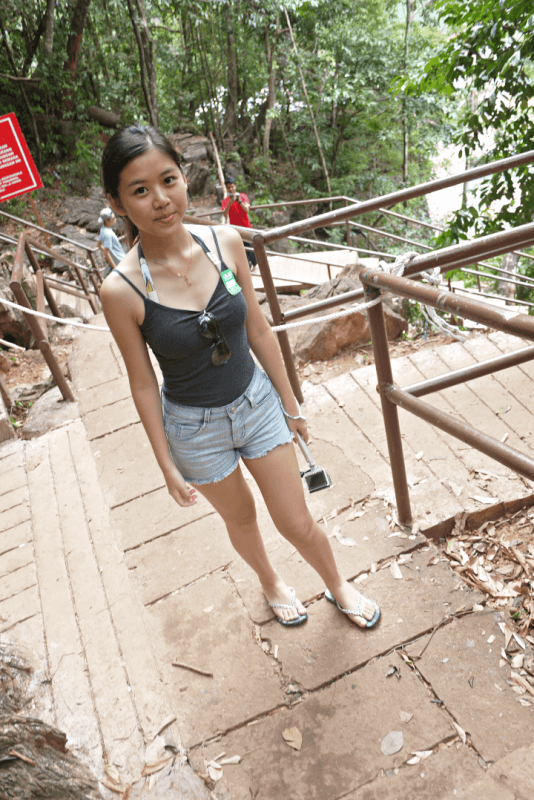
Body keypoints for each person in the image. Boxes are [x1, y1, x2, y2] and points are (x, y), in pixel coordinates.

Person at [99, 124, 380, 629]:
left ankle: (337, 584)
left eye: (168, 180)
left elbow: (259, 328)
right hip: (193, 429)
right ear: (118, 203)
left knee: (295, 520)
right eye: (140, 190)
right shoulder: (119, 291)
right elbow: (142, 382)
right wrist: (165, 463)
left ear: (184, 178)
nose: (161, 200)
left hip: (256, 404)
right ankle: (270, 581)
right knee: (242, 518)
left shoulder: (225, 242)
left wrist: (291, 403)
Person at [221, 176, 257, 270]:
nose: (231, 189)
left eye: (232, 186)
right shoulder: (225, 201)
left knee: (250, 247)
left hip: (246, 227)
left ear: (235, 186)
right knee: (242, 249)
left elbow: (246, 210)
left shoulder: (243, 196)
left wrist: (238, 201)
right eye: (228, 187)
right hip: (235, 229)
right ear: (226, 188)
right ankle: (248, 267)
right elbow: (225, 215)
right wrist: (230, 203)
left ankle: (255, 263)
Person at [97, 207, 126, 278]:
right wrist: (115, 268)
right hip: (120, 260)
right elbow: (106, 252)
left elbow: (98, 244)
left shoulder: (103, 229)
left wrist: (110, 252)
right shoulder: (108, 234)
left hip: (118, 259)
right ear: (107, 221)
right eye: (113, 219)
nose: (115, 220)